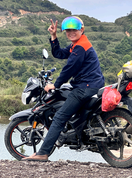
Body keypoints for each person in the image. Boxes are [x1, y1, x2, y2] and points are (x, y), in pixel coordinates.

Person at [22, 16, 105, 162]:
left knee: (59, 118)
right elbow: (59, 54)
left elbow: (69, 69)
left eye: (74, 30)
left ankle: (42, 153)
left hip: (85, 87)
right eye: (68, 31)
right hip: (91, 85)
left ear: (82, 30)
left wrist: (55, 84)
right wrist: (53, 36)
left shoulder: (80, 47)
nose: (71, 33)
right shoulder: (77, 44)